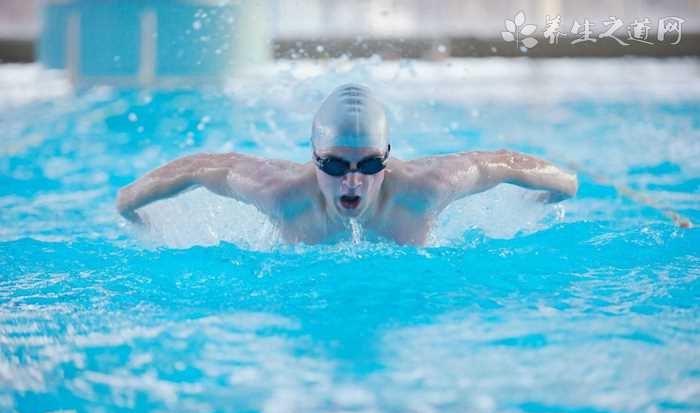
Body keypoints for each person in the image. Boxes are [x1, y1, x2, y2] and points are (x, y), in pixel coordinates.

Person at [117, 83, 578, 245]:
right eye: (336, 166)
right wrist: (129, 204)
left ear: (388, 159)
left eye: (370, 164)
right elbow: (200, 167)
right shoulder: (282, 195)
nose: (353, 179)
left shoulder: (426, 190)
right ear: (314, 159)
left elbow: (498, 162)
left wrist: (560, 185)